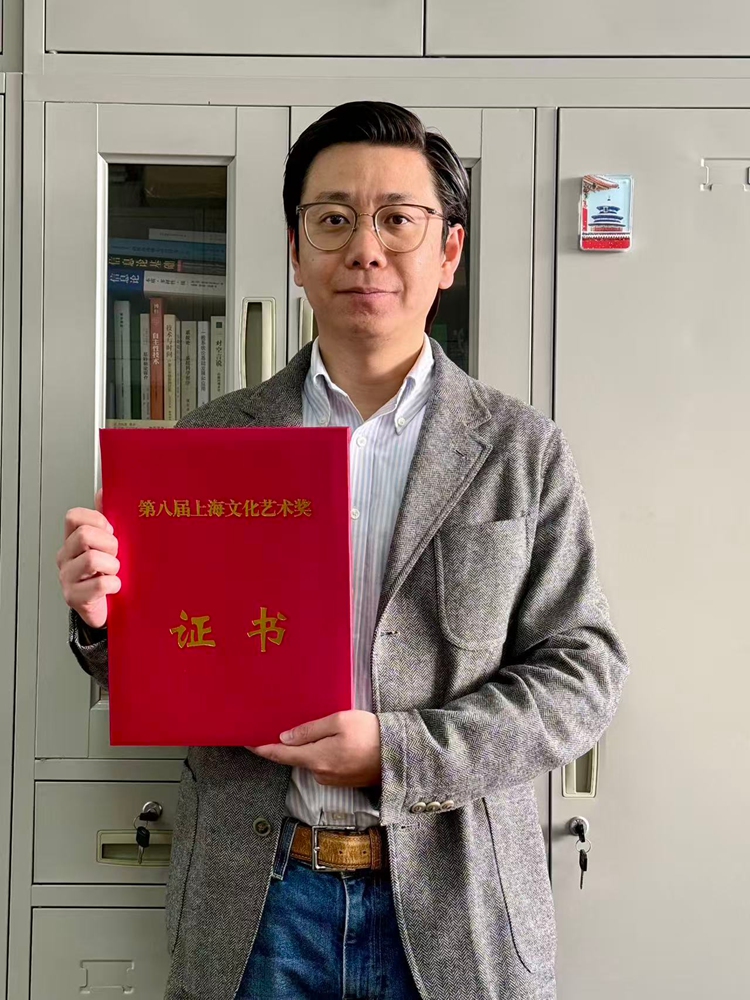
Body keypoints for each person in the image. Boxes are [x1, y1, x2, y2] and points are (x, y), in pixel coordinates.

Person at [58, 101, 630, 1000]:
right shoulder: (210, 442)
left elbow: (583, 674)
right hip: (258, 909)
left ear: (449, 252)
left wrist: (399, 754)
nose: (365, 248)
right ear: (296, 252)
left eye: (398, 219)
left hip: (454, 906)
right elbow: (164, 670)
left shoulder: (520, 449)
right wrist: (103, 620)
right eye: (333, 220)